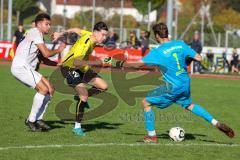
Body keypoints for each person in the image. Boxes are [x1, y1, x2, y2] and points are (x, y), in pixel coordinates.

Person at [119, 23, 234, 143]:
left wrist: (117, 62)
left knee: (146, 102)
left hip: (172, 86)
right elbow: (199, 58)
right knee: (189, 105)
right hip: (185, 83)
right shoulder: (180, 44)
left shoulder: (157, 51)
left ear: (157, 36)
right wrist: (188, 60)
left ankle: (152, 136)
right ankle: (215, 122)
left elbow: (138, 64)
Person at [11, 13, 66, 132]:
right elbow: (46, 53)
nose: (49, 27)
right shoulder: (35, 32)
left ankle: (38, 119)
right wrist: (59, 49)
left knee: (50, 88)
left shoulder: (37, 35)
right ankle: (31, 120)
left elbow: (43, 58)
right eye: (47, 24)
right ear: (39, 24)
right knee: (43, 89)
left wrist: (58, 64)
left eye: (50, 24)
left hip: (26, 68)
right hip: (21, 66)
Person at [53, 22, 109, 136]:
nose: (105, 38)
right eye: (103, 35)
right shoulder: (85, 43)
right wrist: (99, 61)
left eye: (106, 35)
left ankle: (79, 95)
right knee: (84, 97)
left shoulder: (90, 34)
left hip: (82, 68)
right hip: (69, 67)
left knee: (104, 86)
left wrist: (60, 34)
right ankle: (77, 127)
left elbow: (77, 29)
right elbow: (76, 62)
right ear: (96, 33)